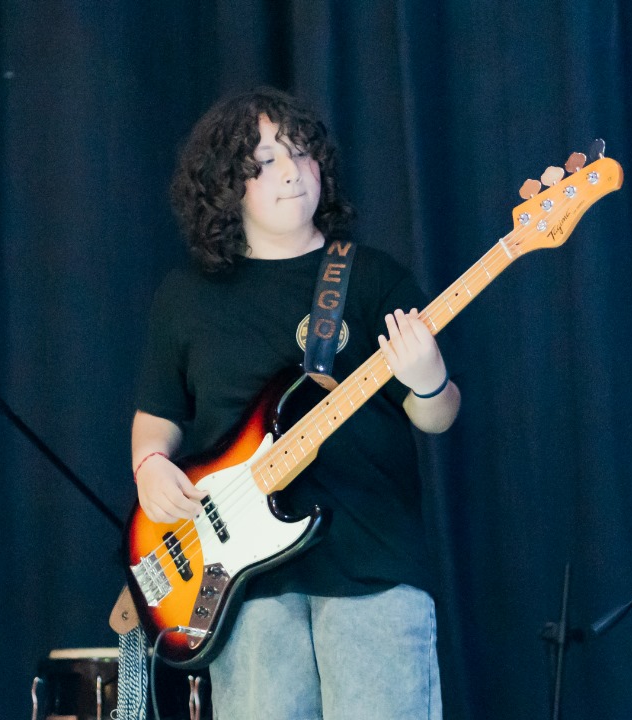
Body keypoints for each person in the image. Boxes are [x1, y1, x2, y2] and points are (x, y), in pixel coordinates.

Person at [131, 87, 460, 719]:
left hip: (372, 564)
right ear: (228, 185)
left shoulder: (370, 278)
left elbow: (438, 416)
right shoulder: (186, 297)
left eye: (302, 154)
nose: (292, 173)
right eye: (267, 161)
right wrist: (150, 467)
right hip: (240, 584)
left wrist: (426, 381)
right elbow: (157, 414)